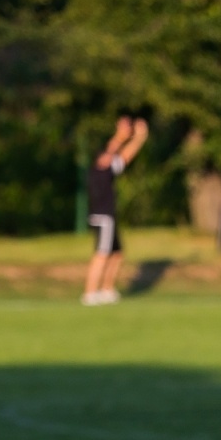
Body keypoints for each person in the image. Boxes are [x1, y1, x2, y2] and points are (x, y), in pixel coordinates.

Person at [82, 116, 149, 307]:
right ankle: (90, 293)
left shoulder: (108, 169)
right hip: (103, 217)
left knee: (117, 253)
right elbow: (114, 150)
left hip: (108, 216)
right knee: (101, 254)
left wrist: (138, 139)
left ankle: (107, 289)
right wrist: (122, 134)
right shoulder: (99, 170)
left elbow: (126, 155)